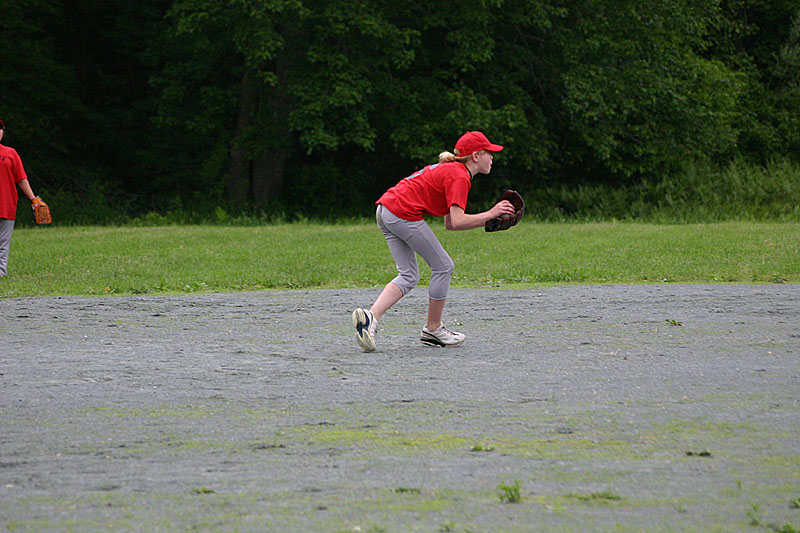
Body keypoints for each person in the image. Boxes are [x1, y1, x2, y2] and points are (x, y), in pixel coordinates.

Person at [351, 131, 517, 352]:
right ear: (476, 156)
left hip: (385, 210)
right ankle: (433, 328)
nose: (492, 157)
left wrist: (488, 217)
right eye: (489, 152)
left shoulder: (454, 171)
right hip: (402, 213)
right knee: (443, 266)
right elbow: (457, 221)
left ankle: (370, 318)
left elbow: (450, 223)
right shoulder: (459, 175)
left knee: (408, 275)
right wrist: (491, 213)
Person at [0, 119, 40, 276]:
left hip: (6, 203)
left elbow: (21, 179)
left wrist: (33, 199)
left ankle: (1, 273)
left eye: (1, 129)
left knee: (3, 241)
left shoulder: (10, 153)